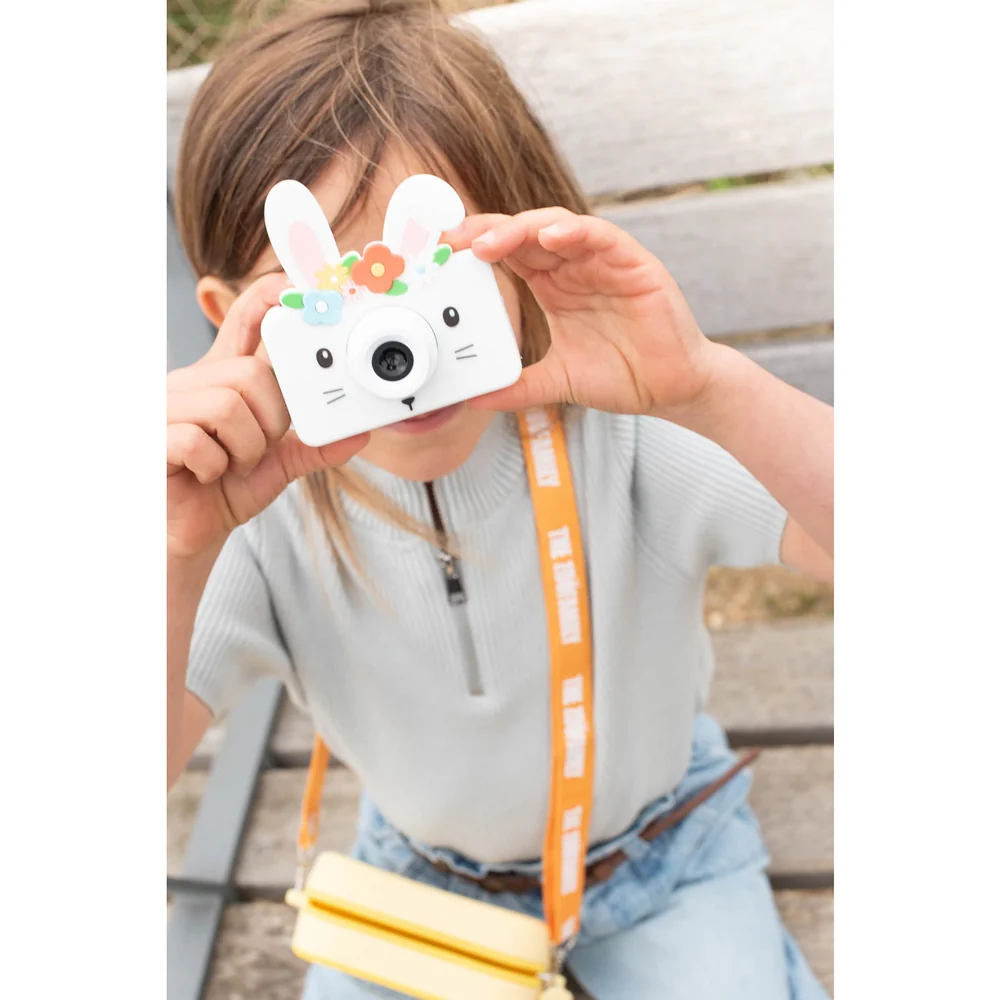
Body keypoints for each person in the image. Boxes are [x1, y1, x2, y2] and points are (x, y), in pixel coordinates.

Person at [167, 2, 833, 998]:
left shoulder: (629, 439)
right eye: (333, 304)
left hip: (659, 850)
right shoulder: (252, 528)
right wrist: (172, 551)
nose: (396, 351)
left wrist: (709, 388)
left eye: (435, 283)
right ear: (236, 322)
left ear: (525, 254)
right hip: (417, 877)